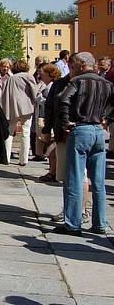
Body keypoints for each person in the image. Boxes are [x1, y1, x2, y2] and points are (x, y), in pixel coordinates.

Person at [53, 52, 114, 236]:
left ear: (81, 65)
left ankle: (72, 224)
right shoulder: (107, 84)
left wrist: (65, 122)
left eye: (72, 66)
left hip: (80, 128)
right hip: (98, 131)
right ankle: (100, 223)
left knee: (75, 178)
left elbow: (63, 99)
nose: (71, 69)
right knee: (98, 181)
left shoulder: (77, 82)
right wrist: (106, 118)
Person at [0, 59, 38, 166]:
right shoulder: (28, 77)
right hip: (26, 108)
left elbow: (5, 93)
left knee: (9, 132)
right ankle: (23, 159)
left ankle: (6, 157)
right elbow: (34, 92)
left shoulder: (10, 78)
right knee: (25, 133)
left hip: (12, 107)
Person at [36, 63, 61, 182]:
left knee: (51, 146)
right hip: (48, 118)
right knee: (50, 146)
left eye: (43, 74)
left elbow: (51, 104)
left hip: (52, 120)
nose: (41, 76)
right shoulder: (47, 85)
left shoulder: (52, 86)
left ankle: (53, 172)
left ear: (50, 75)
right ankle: (52, 171)